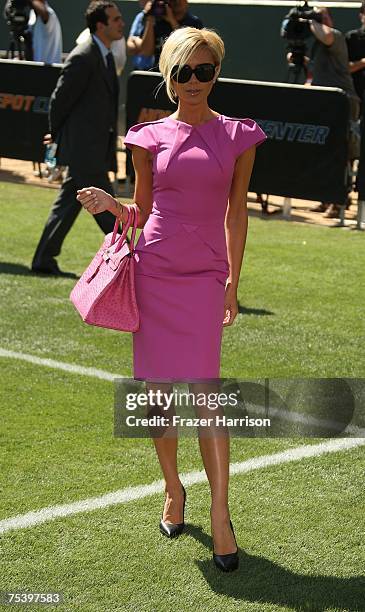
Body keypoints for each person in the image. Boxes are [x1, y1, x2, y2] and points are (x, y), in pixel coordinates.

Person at [77, 27, 266, 572]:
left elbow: (236, 212)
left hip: (205, 278)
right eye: (183, 73)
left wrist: (233, 278)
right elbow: (141, 212)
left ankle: (223, 513)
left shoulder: (238, 136)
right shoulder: (146, 138)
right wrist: (112, 207)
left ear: (217, 73)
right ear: (169, 77)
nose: (193, 82)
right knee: (159, 396)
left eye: (203, 71)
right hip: (155, 273)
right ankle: (172, 490)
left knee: (206, 396)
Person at [31, 1, 124, 275]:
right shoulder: (84, 55)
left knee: (69, 203)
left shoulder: (104, 54)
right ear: (100, 25)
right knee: (107, 208)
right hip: (84, 150)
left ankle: (43, 259)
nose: (121, 23)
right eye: (116, 19)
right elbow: (59, 99)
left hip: (93, 148)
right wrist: (57, 134)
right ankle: (129, 256)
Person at [307, 7, 360, 217]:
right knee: (324, 151)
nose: (320, 20)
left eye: (323, 16)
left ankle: (340, 201)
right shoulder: (316, 45)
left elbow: (326, 35)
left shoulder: (335, 36)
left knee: (343, 153)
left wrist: (312, 20)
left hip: (343, 103)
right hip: (324, 104)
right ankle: (326, 197)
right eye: (318, 17)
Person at [127, 0, 203, 69]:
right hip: (158, 73)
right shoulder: (157, 22)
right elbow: (146, 52)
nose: (177, 2)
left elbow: (189, 49)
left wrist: (172, 20)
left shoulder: (194, 23)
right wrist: (150, 18)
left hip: (183, 71)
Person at [346, 2, 365, 105]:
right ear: (361, 15)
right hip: (356, 96)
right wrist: (363, 62)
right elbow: (344, 68)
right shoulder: (352, 37)